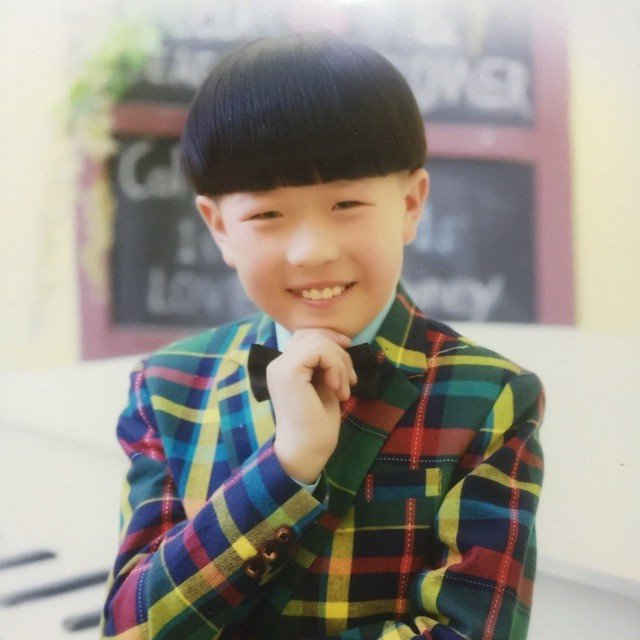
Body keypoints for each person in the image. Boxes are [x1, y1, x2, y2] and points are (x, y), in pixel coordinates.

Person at [101, 33, 544, 640]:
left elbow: (470, 631)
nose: (311, 251)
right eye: (267, 214)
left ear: (411, 204)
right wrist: (285, 467)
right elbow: (130, 626)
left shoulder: (491, 396)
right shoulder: (166, 386)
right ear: (219, 227)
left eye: (346, 204)